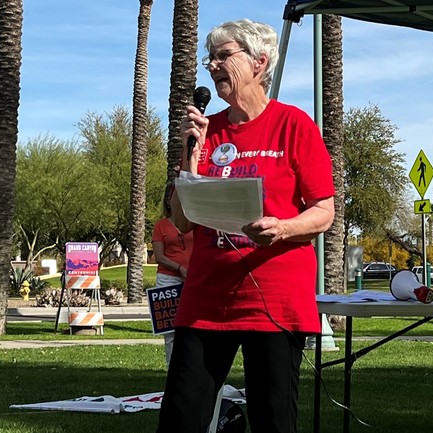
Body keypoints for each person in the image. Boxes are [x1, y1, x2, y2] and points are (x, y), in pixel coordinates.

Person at [157, 19, 335, 433]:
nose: (213, 65)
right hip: (206, 299)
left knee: (273, 420)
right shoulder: (207, 131)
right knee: (181, 417)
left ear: (259, 62)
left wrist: (283, 228)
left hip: (273, 300)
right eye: (211, 58)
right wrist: (192, 158)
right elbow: (182, 220)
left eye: (224, 56)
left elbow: (323, 211)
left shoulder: (293, 125)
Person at [151, 183, 193, 365]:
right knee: (170, 329)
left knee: (192, 326)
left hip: (193, 278)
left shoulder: (194, 223)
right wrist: (179, 268)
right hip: (168, 279)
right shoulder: (160, 226)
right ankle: (171, 368)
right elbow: (159, 257)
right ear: (169, 201)